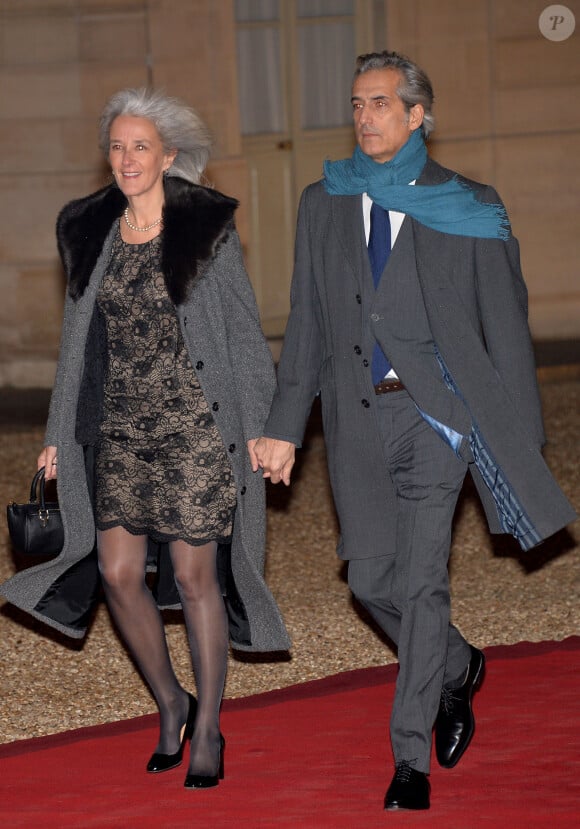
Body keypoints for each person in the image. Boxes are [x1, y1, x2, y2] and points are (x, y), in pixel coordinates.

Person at [253, 51, 576, 811]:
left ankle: (409, 759)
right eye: (358, 103)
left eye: (381, 104)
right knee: (371, 580)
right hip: (355, 420)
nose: (365, 117)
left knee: (425, 582)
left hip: (440, 419)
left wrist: (517, 441)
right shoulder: (323, 201)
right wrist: (283, 427)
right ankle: (458, 666)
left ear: (417, 115)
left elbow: (507, 329)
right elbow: (306, 325)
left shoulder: (470, 205)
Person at [0, 87, 289, 789]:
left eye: (140, 146)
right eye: (117, 146)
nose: (127, 158)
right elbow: (75, 346)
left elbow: (247, 339)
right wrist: (56, 437)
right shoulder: (91, 231)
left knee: (194, 578)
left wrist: (263, 429)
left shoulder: (204, 229)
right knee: (118, 573)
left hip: (197, 424)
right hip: (121, 427)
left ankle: (211, 725)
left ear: (167, 155)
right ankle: (172, 701)